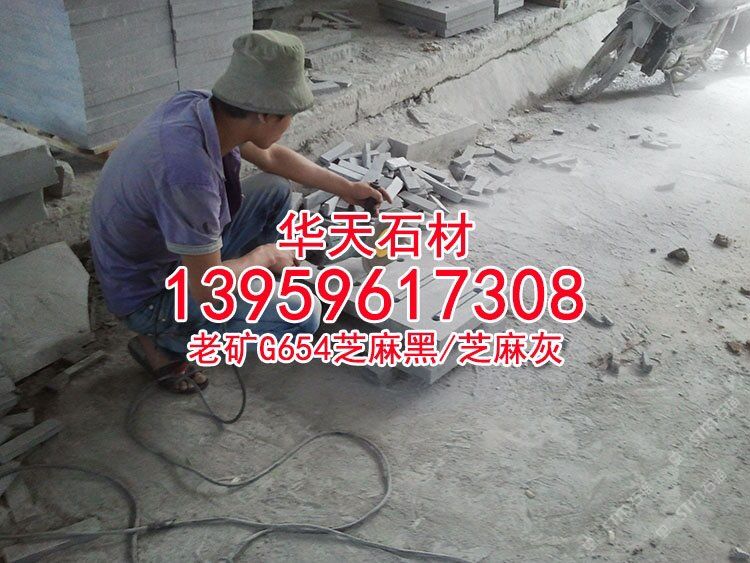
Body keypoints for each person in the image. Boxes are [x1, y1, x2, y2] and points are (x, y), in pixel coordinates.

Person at [89, 31, 389, 393]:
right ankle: (165, 341)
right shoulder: (189, 176)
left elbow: (272, 157)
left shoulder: (202, 106)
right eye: (289, 116)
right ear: (265, 114)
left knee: (275, 189)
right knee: (303, 315)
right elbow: (207, 288)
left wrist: (348, 189)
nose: (290, 124)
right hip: (148, 294)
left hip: (169, 253)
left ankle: (256, 291)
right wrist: (264, 257)